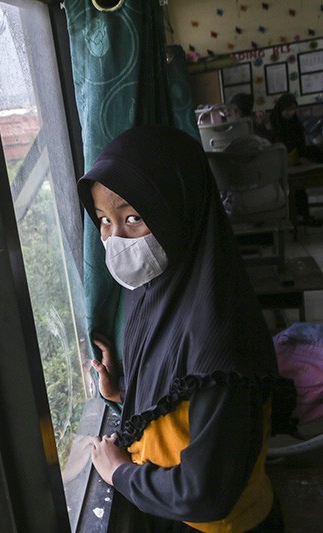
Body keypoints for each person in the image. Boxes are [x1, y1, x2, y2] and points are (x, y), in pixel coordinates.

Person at [76, 125, 297, 532]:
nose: (116, 238)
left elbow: (206, 493)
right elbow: (182, 411)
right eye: (104, 220)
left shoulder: (221, 339)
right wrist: (122, 395)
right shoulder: (156, 292)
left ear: (179, 208)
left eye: (134, 217)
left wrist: (119, 474)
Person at [269, 94, 323, 226]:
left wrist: (301, 155)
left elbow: (300, 145)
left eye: (293, 109)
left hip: (296, 159)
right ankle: (301, 215)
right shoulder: (275, 124)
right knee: (296, 187)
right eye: (287, 109)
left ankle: (303, 214)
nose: (290, 113)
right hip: (280, 164)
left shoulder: (295, 122)